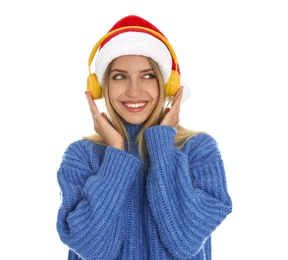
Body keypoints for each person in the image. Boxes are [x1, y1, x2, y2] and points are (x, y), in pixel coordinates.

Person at [56, 14, 232, 260]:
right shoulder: (81, 156)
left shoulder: (199, 150)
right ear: (101, 86)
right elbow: (93, 249)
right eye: (119, 76)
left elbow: (184, 241)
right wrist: (116, 153)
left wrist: (162, 145)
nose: (134, 90)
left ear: (167, 85)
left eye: (148, 75)